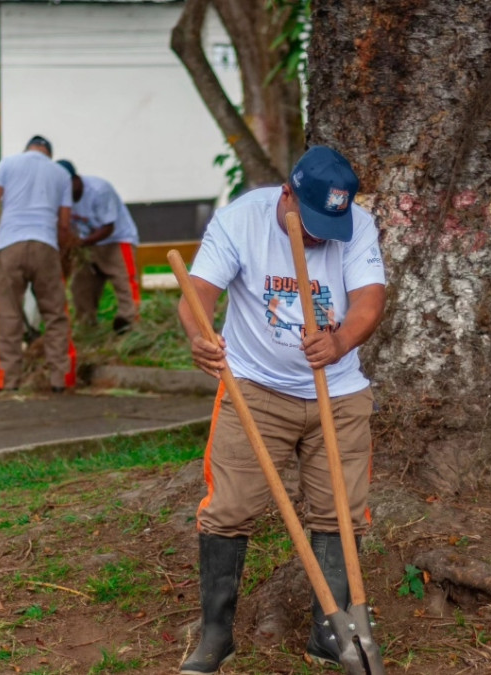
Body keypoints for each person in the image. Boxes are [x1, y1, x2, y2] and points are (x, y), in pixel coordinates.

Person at [175, 145, 386, 674]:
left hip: (336, 392)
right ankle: (215, 636)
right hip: (255, 390)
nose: (318, 236)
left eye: (328, 225)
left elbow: (369, 300)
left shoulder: (356, 224)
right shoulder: (240, 221)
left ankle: (331, 636)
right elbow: (196, 291)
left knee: (338, 511)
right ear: (286, 194)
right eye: (310, 222)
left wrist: (340, 344)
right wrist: (201, 335)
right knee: (228, 510)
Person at [0, 135, 76, 393]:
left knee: (8, 314)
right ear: (48, 152)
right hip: (45, 245)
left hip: (10, 246)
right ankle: (61, 379)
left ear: (28, 148)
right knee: (55, 315)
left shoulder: (9, 163)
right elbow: (64, 224)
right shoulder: (61, 174)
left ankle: (8, 381)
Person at [55, 160, 140, 334]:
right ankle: (87, 325)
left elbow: (109, 227)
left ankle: (130, 323)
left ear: (76, 179)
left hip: (116, 240)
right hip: (85, 245)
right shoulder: (58, 198)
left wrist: (80, 243)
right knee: (81, 286)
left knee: (124, 280)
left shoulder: (99, 190)